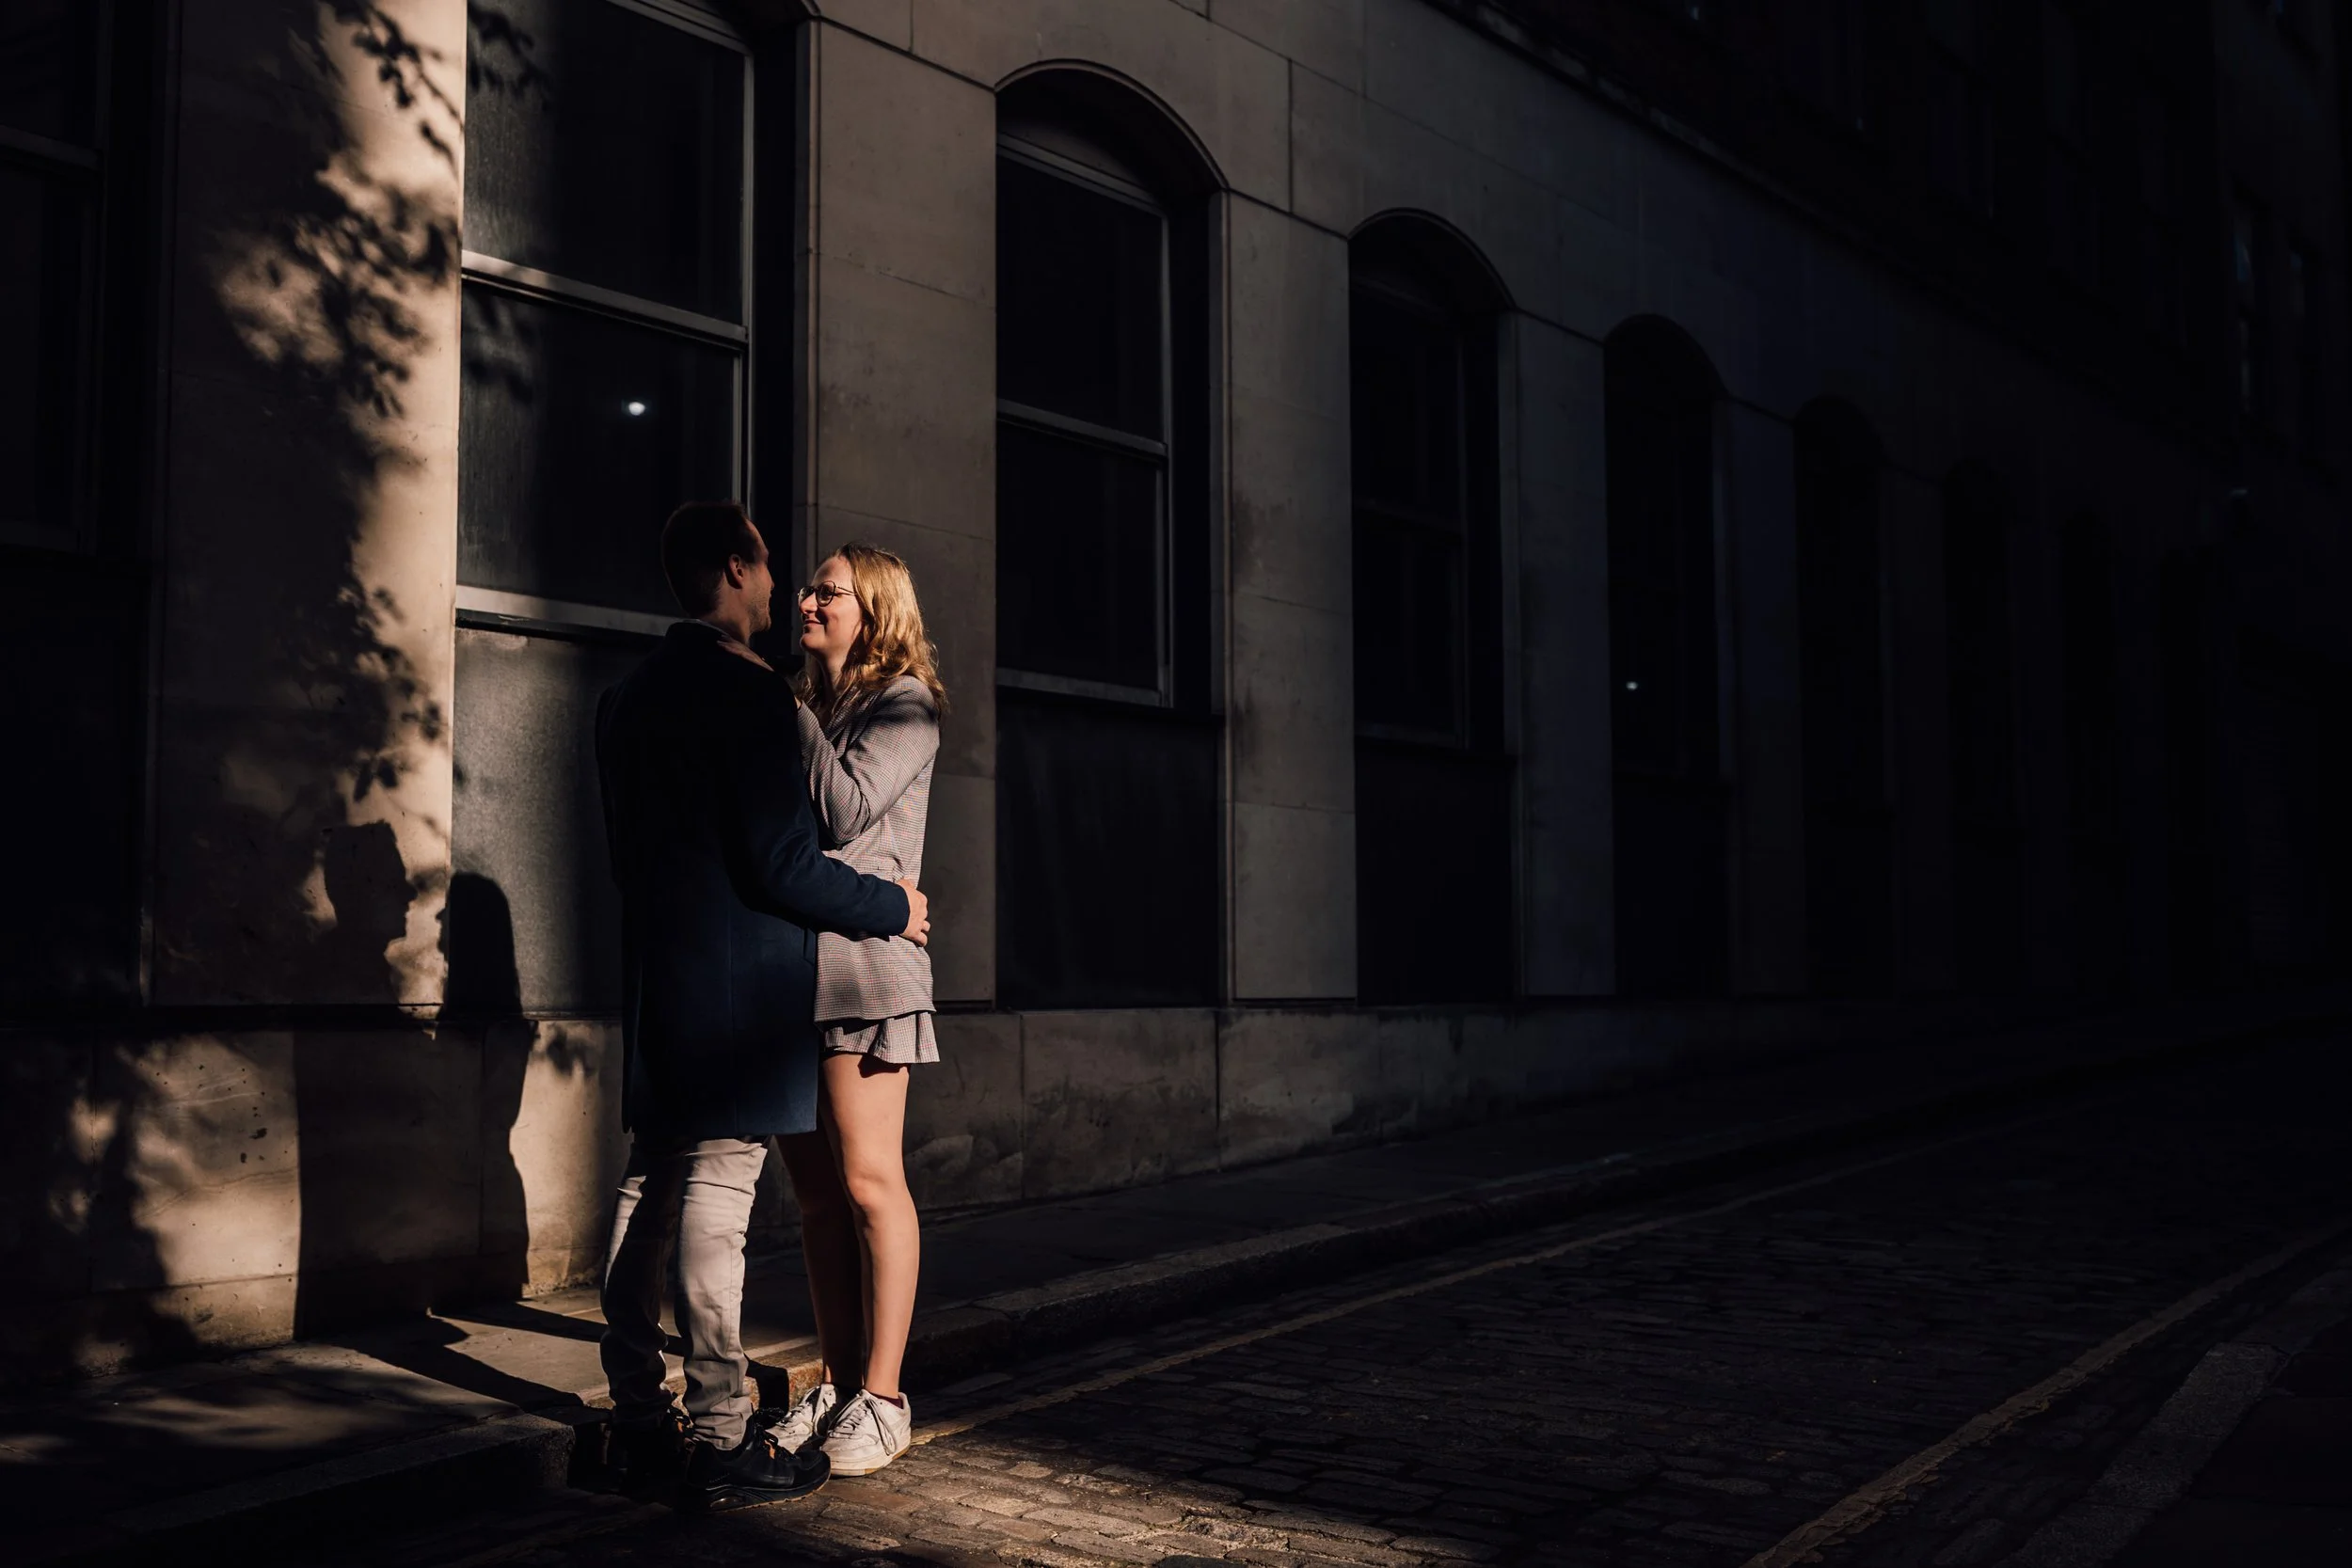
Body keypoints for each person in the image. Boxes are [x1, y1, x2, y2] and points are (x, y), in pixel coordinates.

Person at [593, 502, 930, 1512]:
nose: (792, 589)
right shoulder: (754, 693)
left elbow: (628, 856)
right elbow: (784, 859)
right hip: (747, 985)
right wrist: (894, 903)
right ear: (735, 571)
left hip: (676, 980)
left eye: (825, 584)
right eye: (780, 569)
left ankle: (648, 1417)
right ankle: (721, 1430)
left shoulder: (624, 695)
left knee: (653, 1190)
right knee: (715, 1202)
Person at [760, 545, 945, 1478]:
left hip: (867, 967)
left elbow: (843, 815)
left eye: (827, 591)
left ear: (870, 608)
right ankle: (834, 1382)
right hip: (799, 963)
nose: (805, 600)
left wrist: (787, 709)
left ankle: (884, 1393)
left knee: (872, 1182)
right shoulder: (815, 702)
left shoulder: (902, 701)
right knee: (816, 1196)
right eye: (807, 586)